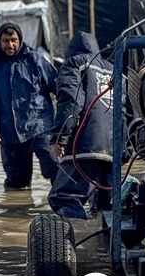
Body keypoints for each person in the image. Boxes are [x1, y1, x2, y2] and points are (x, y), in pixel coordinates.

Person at [0, 22, 58, 190]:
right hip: (10, 132)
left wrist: (68, 120)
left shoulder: (35, 60)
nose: (10, 45)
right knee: (17, 184)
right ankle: (16, 214)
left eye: (13, 40)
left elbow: (58, 86)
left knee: (57, 171)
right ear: (0, 42)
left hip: (41, 128)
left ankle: (63, 212)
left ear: (20, 40)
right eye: (5, 40)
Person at [48, 32, 115, 220]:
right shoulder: (114, 69)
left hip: (86, 144)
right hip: (113, 150)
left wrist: (60, 138)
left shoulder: (74, 64)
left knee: (64, 198)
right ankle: (101, 248)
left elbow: (71, 102)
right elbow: (127, 111)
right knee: (105, 209)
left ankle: (74, 245)